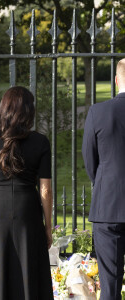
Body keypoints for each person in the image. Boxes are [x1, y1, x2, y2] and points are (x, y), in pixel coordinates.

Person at [0, 86, 54, 300]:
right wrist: (48, 227)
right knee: (30, 272)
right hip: (28, 213)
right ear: (29, 112)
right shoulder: (41, 142)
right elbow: (46, 189)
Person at [82, 58, 125, 300]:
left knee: (109, 285)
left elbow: (90, 158)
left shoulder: (98, 112)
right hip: (108, 205)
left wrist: (103, 182)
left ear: (116, 80)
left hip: (107, 206)